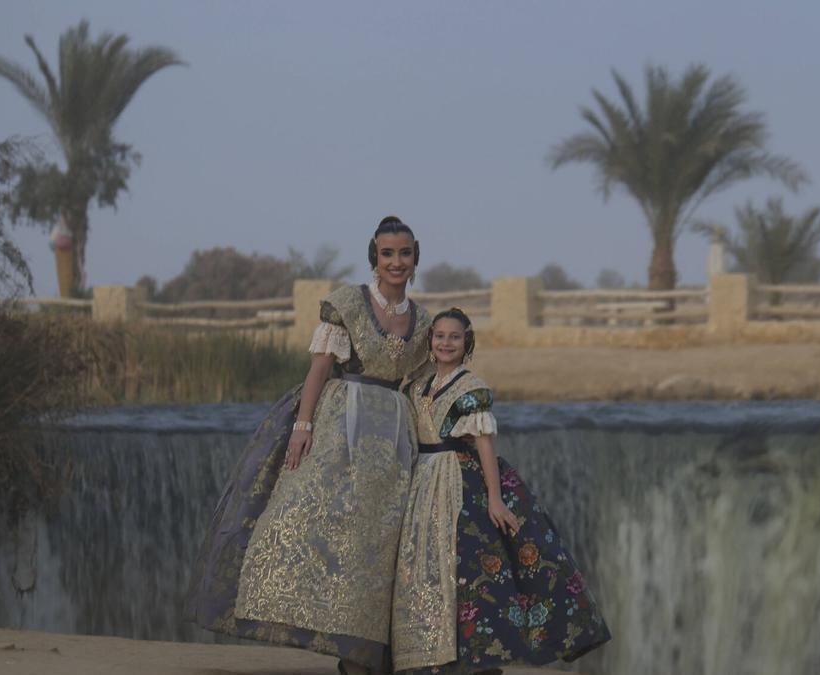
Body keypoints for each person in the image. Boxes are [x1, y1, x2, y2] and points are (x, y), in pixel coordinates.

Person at [187, 216, 432, 675]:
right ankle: (337, 642)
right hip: (342, 425)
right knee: (315, 523)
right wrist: (302, 426)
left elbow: (418, 383)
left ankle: (366, 654)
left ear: (415, 256)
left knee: (379, 544)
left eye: (404, 253)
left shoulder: (423, 321)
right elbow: (319, 369)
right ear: (374, 258)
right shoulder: (347, 304)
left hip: (394, 436)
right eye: (387, 254)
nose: (396, 262)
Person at [391, 308, 610, 674]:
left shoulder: (471, 388)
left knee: (469, 569)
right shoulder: (417, 386)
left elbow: (484, 445)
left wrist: (494, 497)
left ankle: (478, 657)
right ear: (430, 341)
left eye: (455, 337)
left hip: (458, 482)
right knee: (424, 567)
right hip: (422, 481)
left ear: (467, 342)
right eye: (440, 336)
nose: (446, 343)